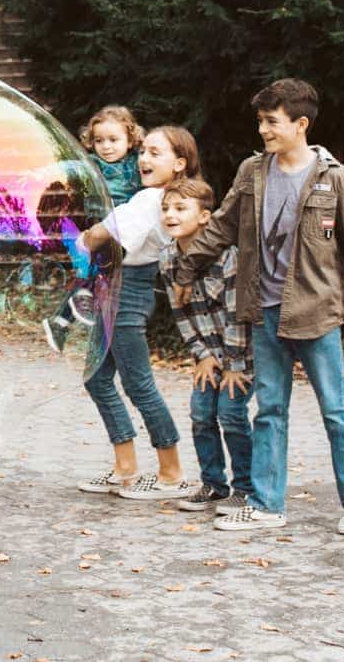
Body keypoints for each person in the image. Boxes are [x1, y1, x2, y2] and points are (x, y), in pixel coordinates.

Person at [176, 78, 344, 536]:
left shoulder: (337, 179)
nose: (264, 130)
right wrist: (186, 268)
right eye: (261, 121)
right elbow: (222, 227)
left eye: (272, 122)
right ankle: (267, 504)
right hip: (264, 312)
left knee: (336, 411)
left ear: (300, 124)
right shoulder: (252, 172)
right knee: (268, 410)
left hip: (316, 314)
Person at [75, 125, 200, 502]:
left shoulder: (150, 201)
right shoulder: (151, 198)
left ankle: (172, 472)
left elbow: (104, 235)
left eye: (155, 153)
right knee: (97, 379)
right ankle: (126, 468)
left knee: (138, 384)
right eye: (143, 150)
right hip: (115, 287)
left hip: (128, 291)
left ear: (179, 164)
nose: (144, 158)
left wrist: (79, 239)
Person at [159, 176, 252, 513]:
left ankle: (245, 488)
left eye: (180, 208)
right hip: (208, 356)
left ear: (205, 217)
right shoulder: (168, 258)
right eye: (166, 208)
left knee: (231, 416)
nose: (170, 214)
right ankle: (213, 484)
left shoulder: (228, 258)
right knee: (201, 414)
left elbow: (238, 315)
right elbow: (179, 313)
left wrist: (233, 365)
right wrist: (201, 356)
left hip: (241, 355)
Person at [44, 106, 145, 351]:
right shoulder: (92, 164)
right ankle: (76, 306)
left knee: (97, 274)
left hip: (122, 227)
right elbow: (70, 168)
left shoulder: (138, 162)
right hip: (98, 223)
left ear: (130, 140)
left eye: (114, 140)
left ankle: (60, 320)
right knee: (95, 270)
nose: (106, 146)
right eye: (99, 140)